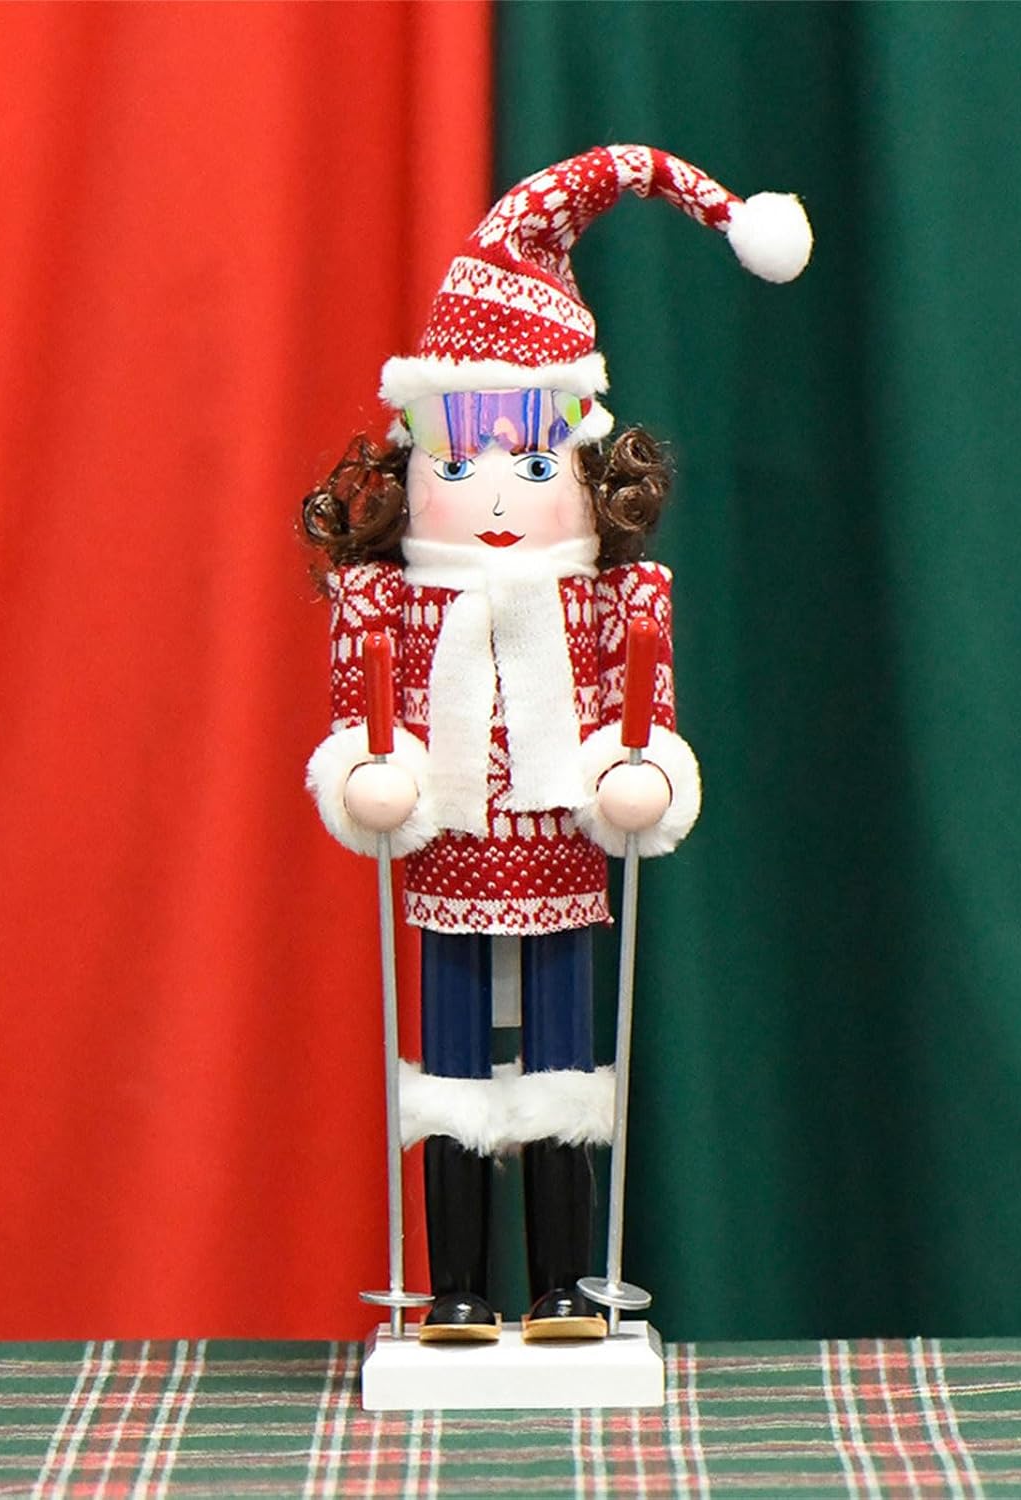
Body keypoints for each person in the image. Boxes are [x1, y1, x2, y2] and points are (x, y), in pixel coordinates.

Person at [303, 145, 811, 1343]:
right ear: (411, 463)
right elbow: (358, 726)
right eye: (460, 459)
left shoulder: (619, 601)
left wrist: (641, 776)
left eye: (532, 461)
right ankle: (458, 1287)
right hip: (446, 861)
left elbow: (647, 717)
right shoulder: (384, 602)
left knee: (565, 1065)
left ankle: (566, 1286)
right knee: (450, 1071)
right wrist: (371, 776)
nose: (494, 495)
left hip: (565, 861)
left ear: (588, 469)